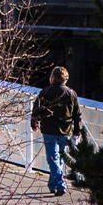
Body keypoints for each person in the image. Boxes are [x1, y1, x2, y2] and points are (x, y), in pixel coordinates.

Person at [29, 65, 84, 196]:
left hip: (49, 129)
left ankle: (59, 184)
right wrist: (77, 131)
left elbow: (36, 109)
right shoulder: (71, 94)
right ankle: (53, 184)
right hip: (66, 130)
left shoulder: (45, 92)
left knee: (53, 158)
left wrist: (35, 123)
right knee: (58, 158)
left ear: (52, 78)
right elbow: (77, 114)